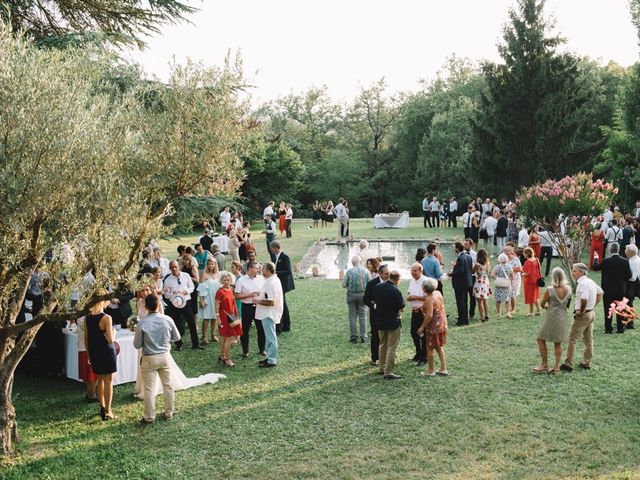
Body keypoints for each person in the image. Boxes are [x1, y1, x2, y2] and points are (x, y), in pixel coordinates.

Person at [134, 294, 181, 424]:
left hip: (149, 357)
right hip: (165, 356)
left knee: (149, 389)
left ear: (146, 306)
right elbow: (177, 337)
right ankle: (169, 412)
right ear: (159, 304)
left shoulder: (142, 322)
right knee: (168, 386)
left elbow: (137, 345)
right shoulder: (168, 319)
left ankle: (149, 417)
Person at [560, 263, 603, 372]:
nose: (572, 273)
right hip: (591, 313)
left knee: (572, 339)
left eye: (574, 271)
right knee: (588, 339)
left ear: (581, 272)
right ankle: (586, 363)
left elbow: (584, 299)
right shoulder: (590, 281)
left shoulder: (583, 284)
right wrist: (592, 306)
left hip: (583, 315)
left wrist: (581, 311)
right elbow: (601, 292)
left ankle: (568, 364)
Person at [84, 289, 117, 421]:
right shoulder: (106, 318)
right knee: (108, 381)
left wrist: (89, 355)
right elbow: (110, 340)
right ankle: (108, 410)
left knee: (100, 380)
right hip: (106, 351)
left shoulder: (88, 317)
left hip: (94, 352)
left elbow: (86, 339)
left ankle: (102, 406)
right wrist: (113, 333)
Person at [534, 267, 571, 374]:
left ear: (553, 277)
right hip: (563, 317)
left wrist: (547, 307)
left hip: (552, 318)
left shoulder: (550, 290)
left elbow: (541, 304)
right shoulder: (568, 289)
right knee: (557, 343)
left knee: (540, 339)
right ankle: (556, 367)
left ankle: (544, 364)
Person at [371, 270, 405, 380]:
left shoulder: (378, 287)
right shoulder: (396, 290)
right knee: (392, 347)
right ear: (397, 279)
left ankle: (381, 368)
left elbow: (375, 301)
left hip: (380, 320)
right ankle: (388, 371)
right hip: (393, 322)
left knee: (382, 345)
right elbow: (401, 306)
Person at [592, 242, 631, 334]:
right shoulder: (625, 261)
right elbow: (629, 275)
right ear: (618, 250)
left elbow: (595, 267)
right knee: (620, 309)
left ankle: (608, 329)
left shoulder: (606, 261)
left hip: (608, 289)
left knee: (607, 309)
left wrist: (596, 258)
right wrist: (622, 281)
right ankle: (620, 328)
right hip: (620, 289)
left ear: (610, 250)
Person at [163, 261, 202, 351]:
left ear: (178, 267)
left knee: (192, 323)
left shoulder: (186, 276)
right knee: (175, 324)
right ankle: (178, 344)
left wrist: (185, 291)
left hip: (186, 302)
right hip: (174, 304)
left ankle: (196, 344)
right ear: (170, 268)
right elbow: (166, 295)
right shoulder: (168, 280)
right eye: (172, 267)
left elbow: (192, 287)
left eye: (175, 267)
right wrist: (173, 293)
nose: (174, 269)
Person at [253, 262, 284, 368]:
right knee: (270, 336)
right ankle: (270, 357)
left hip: (269, 314)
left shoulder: (271, 283)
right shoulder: (273, 279)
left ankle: (271, 360)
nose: (262, 270)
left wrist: (257, 301)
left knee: (271, 337)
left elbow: (271, 302)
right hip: (268, 313)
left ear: (268, 270)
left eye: (263, 268)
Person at [418, 278, 448, 377]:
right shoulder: (438, 293)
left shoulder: (429, 298)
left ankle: (431, 370)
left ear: (424, 289)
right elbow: (435, 307)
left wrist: (422, 327)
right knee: (439, 347)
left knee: (429, 348)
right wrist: (421, 308)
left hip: (433, 326)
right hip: (442, 323)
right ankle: (443, 368)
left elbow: (429, 315)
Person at [235, 261, 265, 357]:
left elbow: (265, 291)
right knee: (245, 329)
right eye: (256, 268)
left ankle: (262, 349)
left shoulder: (261, 279)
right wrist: (250, 294)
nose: (258, 270)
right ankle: (245, 351)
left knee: (261, 328)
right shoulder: (241, 280)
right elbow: (236, 295)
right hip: (247, 307)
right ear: (249, 269)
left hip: (259, 306)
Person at [215, 271, 242, 367]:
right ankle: (227, 359)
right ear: (221, 280)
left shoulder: (231, 289)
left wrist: (237, 316)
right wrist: (218, 317)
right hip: (224, 316)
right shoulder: (220, 291)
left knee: (225, 338)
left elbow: (234, 303)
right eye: (225, 280)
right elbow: (217, 305)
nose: (226, 282)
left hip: (231, 316)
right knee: (227, 338)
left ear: (231, 280)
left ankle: (222, 355)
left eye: (228, 280)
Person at [342, 255, 370, 343]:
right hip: (362, 295)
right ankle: (364, 336)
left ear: (352, 262)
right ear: (360, 262)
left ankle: (353, 336)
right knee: (363, 316)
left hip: (351, 295)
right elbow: (370, 283)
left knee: (352, 316)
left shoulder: (349, 271)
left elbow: (343, 284)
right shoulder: (365, 271)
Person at [270, 240, 295, 333]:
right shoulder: (275, 257)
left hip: (283, 284)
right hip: (278, 284)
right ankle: (284, 324)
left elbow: (288, 271)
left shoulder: (285, 257)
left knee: (282, 304)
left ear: (276, 247)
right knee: (282, 304)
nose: (270, 250)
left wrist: (276, 273)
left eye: (271, 248)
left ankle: (286, 325)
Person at [364, 261, 385, 365]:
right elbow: (365, 299)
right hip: (375, 314)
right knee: (375, 335)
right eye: (386, 273)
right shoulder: (372, 283)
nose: (388, 275)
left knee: (387, 335)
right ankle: (375, 357)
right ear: (380, 273)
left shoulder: (391, 282)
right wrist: (373, 306)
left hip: (387, 314)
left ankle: (387, 356)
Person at [407, 262, 428, 366]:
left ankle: (424, 356)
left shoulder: (425, 281)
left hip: (423, 311)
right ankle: (418, 352)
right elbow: (409, 293)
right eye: (412, 270)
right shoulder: (412, 280)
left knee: (423, 334)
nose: (413, 272)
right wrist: (410, 297)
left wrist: (415, 297)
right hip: (414, 310)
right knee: (413, 332)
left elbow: (428, 297)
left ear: (421, 271)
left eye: (415, 270)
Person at [448, 242, 473, 326]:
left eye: (455, 248)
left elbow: (460, 272)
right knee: (464, 302)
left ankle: (461, 321)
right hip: (467, 283)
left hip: (460, 284)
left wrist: (451, 274)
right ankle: (465, 320)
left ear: (457, 249)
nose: (454, 249)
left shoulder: (460, 258)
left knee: (460, 303)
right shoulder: (468, 256)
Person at [197, 259, 220, 345]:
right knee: (206, 318)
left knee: (214, 316)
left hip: (216, 298)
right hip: (207, 298)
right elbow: (201, 288)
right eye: (209, 264)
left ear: (215, 264)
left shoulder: (218, 274)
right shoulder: (205, 275)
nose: (211, 266)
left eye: (212, 264)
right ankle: (203, 336)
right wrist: (201, 300)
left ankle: (213, 334)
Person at [76, 315, 98, 402]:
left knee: (88, 372)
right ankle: (92, 394)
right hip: (87, 348)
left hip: (83, 347)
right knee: (91, 372)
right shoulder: (85, 318)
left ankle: (90, 393)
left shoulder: (81, 317)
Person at [473, 249, 492, 322]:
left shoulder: (478, 265)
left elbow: (473, 271)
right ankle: (487, 315)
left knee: (479, 301)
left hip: (479, 282)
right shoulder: (488, 264)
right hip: (486, 282)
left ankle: (482, 316)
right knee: (485, 300)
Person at [521, 247, 542, 316]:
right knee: (535, 296)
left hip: (530, 281)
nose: (523, 254)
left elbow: (527, 273)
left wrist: (522, 274)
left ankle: (531, 312)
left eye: (524, 253)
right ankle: (538, 311)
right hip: (536, 280)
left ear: (527, 254)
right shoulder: (536, 259)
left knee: (530, 297)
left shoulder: (528, 262)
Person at [492, 253, 513, 318]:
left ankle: (499, 314)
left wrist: (497, 279)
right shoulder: (509, 266)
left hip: (499, 285)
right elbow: (512, 276)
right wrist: (509, 281)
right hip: (506, 284)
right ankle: (508, 313)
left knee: (498, 300)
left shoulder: (497, 266)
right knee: (507, 300)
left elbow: (492, 275)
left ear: (499, 259)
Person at [504, 245, 523, 315]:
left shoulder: (515, 259)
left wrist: (511, 269)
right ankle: (509, 308)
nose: (506, 252)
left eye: (507, 250)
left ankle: (513, 309)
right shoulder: (504, 259)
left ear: (511, 251)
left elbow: (520, 269)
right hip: (507, 279)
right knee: (508, 294)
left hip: (515, 279)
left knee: (513, 294)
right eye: (505, 250)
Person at [625, 244, 640, 329]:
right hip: (636, 283)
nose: (625, 252)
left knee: (628, 303)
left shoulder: (633, 262)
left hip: (633, 284)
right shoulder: (637, 259)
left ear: (631, 252)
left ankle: (629, 323)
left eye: (626, 250)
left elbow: (633, 277)